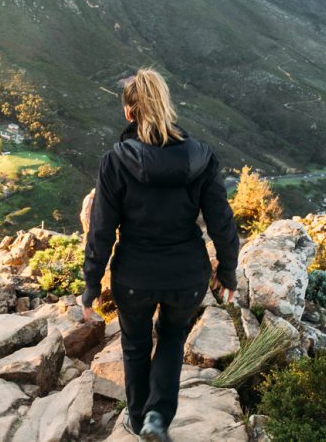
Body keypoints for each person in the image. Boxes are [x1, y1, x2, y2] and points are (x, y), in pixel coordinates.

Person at [80, 68, 239, 442]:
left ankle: (139, 422)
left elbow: (101, 229)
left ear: (129, 113)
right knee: (171, 339)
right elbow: (222, 223)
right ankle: (157, 417)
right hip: (186, 275)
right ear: (168, 107)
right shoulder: (201, 157)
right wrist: (227, 273)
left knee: (135, 345)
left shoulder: (116, 160)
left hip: (134, 275)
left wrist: (90, 285)